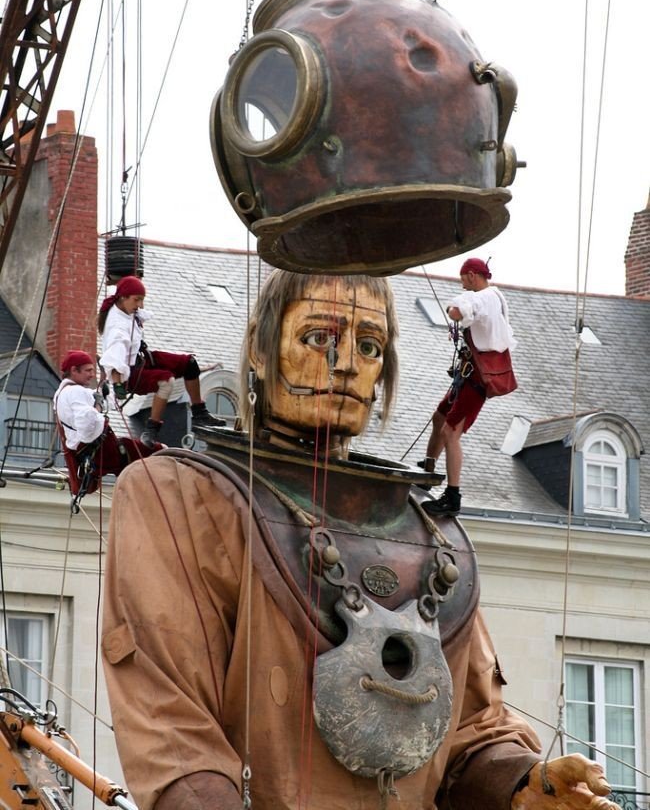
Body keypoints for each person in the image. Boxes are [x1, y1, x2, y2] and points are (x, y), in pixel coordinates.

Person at [101, 271, 616, 810]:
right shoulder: (182, 495)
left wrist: (525, 785)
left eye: (368, 346)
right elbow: (175, 732)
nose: (345, 362)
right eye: (319, 338)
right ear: (260, 347)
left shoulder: (428, 532)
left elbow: (472, 733)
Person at [421, 258, 517, 517]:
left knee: (451, 431)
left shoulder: (483, 297)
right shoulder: (495, 296)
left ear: (472, 275)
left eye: (463, 279)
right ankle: (427, 469)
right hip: (470, 374)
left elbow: (460, 310)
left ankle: (452, 496)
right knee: (439, 416)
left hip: (476, 380)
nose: (462, 285)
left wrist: (453, 308)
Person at [98, 275, 224, 447]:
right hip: (129, 374)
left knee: (189, 363)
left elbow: (137, 310)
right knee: (166, 382)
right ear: (123, 297)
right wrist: (119, 386)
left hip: (142, 359)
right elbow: (114, 359)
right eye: (137, 300)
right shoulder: (117, 329)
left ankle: (199, 414)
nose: (140, 305)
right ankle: (151, 429)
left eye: (142, 300)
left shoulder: (126, 309)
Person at [53, 350, 161, 501]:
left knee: (134, 471)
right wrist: (98, 406)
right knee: (158, 452)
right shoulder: (75, 392)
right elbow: (86, 423)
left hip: (94, 453)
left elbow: (93, 403)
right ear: (73, 370)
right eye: (88, 370)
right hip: (104, 451)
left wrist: (100, 393)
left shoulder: (62, 393)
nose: (91, 375)